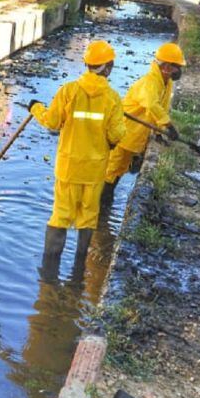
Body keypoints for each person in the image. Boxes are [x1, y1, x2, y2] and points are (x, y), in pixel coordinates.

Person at [28, 40, 125, 270]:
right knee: (88, 218)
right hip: (94, 171)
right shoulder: (112, 98)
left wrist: (35, 108)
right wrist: (109, 141)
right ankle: (79, 266)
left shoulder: (68, 91)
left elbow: (51, 122)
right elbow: (117, 134)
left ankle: (49, 271)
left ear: (88, 65)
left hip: (69, 167)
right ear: (108, 66)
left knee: (60, 217)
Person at [100, 43, 186, 209]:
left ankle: (105, 202)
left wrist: (159, 133)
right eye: (177, 67)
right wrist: (168, 125)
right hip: (125, 130)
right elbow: (152, 105)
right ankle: (102, 205)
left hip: (135, 133)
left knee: (121, 167)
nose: (179, 71)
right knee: (112, 167)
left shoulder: (166, 82)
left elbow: (162, 106)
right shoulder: (150, 82)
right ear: (167, 67)